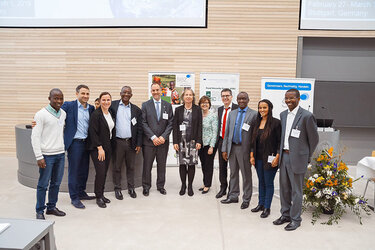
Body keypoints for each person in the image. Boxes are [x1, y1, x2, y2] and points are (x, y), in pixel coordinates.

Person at [273, 89, 319, 231]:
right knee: (284, 188)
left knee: (296, 191)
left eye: (291, 98)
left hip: (298, 158)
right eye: (286, 98)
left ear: (298, 99)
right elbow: (283, 137)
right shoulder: (283, 115)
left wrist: (306, 156)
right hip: (285, 156)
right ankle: (285, 214)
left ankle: (296, 219)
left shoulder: (307, 116)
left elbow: (314, 139)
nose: (288, 101)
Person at [31, 88, 67, 220]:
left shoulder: (63, 113)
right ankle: (39, 210)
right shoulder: (40, 114)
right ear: (49, 99)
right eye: (55, 98)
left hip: (60, 154)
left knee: (56, 183)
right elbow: (35, 137)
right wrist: (39, 156)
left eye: (61, 98)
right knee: (43, 184)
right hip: (46, 155)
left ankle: (51, 207)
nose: (58, 101)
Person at [61, 84, 95, 209]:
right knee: (74, 171)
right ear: (77, 94)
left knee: (84, 170)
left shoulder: (91, 108)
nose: (85, 96)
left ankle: (81, 192)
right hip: (75, 143)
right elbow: (55, 113)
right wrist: (37, 120)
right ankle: (74, 197)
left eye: (87, 94)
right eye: (83, 93)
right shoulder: (69, 106)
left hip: (87, 143)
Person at [221, 92, 256, 209]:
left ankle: (246, 199)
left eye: (244, 99)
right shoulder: (232, 114)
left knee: (246, 175)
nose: (241, 101)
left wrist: (252, 152)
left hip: (244, 149)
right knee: (233, 173)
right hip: (232, 148)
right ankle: (233, 196)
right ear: (236, 100)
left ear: (248, 100)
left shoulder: (254, 114)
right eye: (239, 99)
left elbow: (255, 136)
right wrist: (224, 149)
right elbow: (227, 133)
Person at [249, 99, 281, 218]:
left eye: (264, 108)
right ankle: (260, 204)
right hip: (258, 158)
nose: (262, 110)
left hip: (270, 158)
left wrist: (277, 158)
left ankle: (267, 207)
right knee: (261, 182)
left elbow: (279, 143)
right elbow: (253, 142)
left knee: (268, 183)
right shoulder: (256, 122)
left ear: (270, 109)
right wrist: (251, 156)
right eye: (260, 108)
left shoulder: (276, 123)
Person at [110, 86, 143, 200]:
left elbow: (139, 128)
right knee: (117, 167)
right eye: (124, 92)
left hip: (131, 143)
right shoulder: (112, 106)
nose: (126, 94)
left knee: (131, 167)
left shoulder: (136, 110)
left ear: (131, 95)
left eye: (128, 93)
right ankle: (117, 189)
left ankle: (131, 188)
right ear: (120, 93)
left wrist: (138, 144)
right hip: (117, 142)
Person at [141, 82, 173, 196]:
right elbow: (143, 123)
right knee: (147, 166)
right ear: (151, 92)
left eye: (157, 90)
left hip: (163, 143)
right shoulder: (145, 105)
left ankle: (160, 186)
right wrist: (153, 137)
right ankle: (146, 186)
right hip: (149, 142)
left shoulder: (167, 105)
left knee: (161, 165)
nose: (155, 92)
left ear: (161, 91)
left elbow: (170, 123)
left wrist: (163, 137)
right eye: (153, 90)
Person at [88, 92, 115, 208]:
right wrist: (99, 148)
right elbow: (93, 133)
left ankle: (102, 194)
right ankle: (98, 196)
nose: (106, 102)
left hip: (108, 147)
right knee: (100, 172)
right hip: (98, 148)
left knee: (104, 172)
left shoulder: (111, 113)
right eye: (103, 100)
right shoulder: (96, 114)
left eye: (108, 100)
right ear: (99, 101)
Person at [173, 89, 202, 196]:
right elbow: (175, 126)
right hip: (181, 142)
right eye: (186, 95)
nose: (188, 97)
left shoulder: (197, 109)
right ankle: (183, 185)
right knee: (182, 164)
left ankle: (190, 186)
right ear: (183, 97)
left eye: (190, 95)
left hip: (193, 142)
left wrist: (199, 140)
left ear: (193, 97)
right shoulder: (178, 110)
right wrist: (175, 141)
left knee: (191, 165)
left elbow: (199, 126)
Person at [214, 88, 238, 199]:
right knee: (222, 167)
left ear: (231, 96)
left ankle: (232, 191)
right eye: (223, 96)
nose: (225, 98)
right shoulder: (219, 110)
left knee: (233, 168)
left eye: (227, 95)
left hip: (233, 142)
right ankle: (223, 188)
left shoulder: (237, 109)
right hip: (221, 140)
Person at [198, 96, 218, 194]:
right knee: (203, 164)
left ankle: (208, 185)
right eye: (202, 103)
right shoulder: (199, 115)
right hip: (200, 144)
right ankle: (205, 182)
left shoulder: (213, 116)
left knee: (208, 165)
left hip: (209, 144)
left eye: (206, 102)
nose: (204, 104)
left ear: (209, 104)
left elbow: (215, 132)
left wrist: (212, 146)